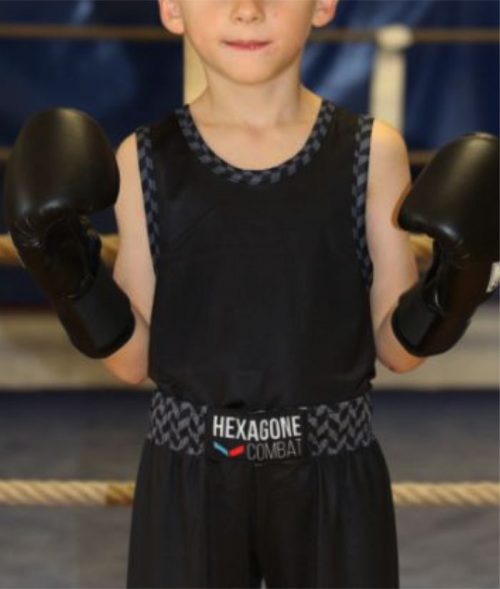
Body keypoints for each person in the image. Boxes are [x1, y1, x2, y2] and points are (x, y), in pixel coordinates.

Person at [3, 1, 498, 587]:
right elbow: (134, 357)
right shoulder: (143, 159)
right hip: (190, 468)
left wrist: (458, 282)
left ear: (323, 5)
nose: (247, 10)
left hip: (332, 470)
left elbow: (398, 348)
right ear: (171, 8)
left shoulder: (371, 151)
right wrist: (67, 272)